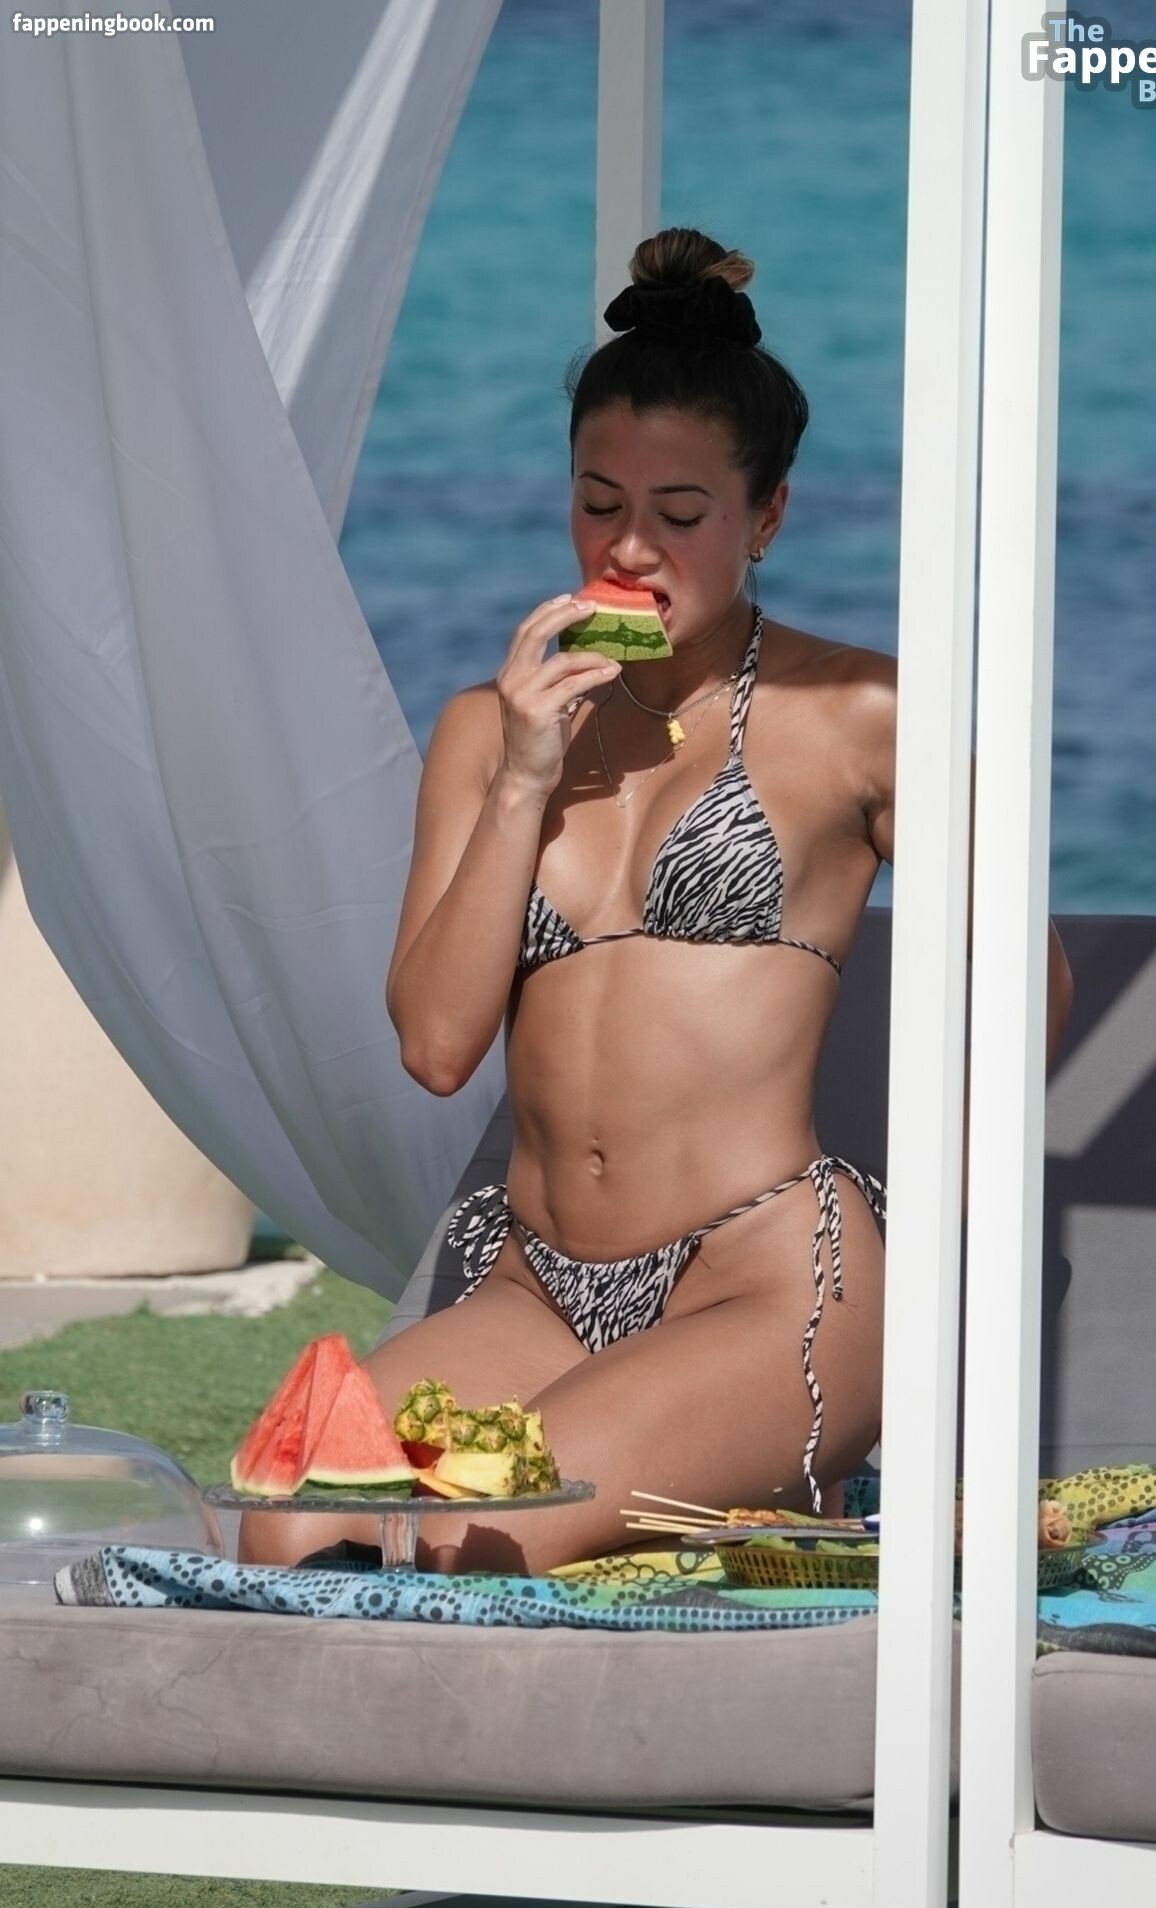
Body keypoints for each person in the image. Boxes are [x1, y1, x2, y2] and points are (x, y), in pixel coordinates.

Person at [239, 227, 1074, 1575]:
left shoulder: (867, 716)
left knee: (476, 1538)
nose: (630, 549)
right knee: (286, 1525)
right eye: (597, 503)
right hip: (538, 1288)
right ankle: (686, 1483)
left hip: (767, 1286)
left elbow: (1032, 994)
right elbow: (438, 1046)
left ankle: (761, 1458)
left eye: (681, 516)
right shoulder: (487, 729)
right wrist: (524, 778)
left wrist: (934, 1236)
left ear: (767, 516)